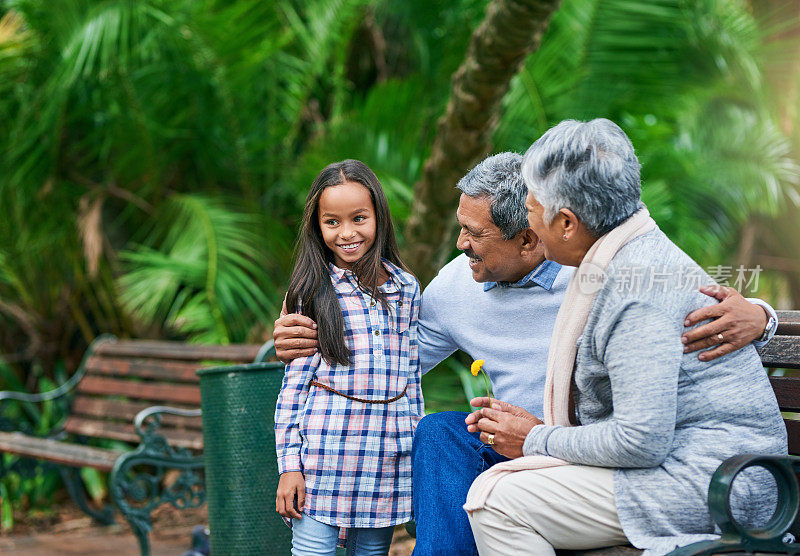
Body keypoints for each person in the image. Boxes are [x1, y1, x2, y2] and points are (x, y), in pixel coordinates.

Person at [273, 154, 779, 556]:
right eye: (461, 227)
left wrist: (762, 316)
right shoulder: (457, 284)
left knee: (498, 496)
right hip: (515, 441)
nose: (459, 244)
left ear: (531, 238)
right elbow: (387, 355)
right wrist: (304, 338)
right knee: (439, 434)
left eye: (475, 235)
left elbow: (677, 291)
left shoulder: (593, 271)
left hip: (592, 446)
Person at [465, 119, 786, 555]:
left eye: (531, 206)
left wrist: (535, 438)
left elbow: (639, 441)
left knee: (497, 502)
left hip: (715, 485)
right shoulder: (629, 255)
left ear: (566, 223)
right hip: (696, 468)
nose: (527, 217)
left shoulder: (636, 293)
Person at [274, 159, 423, 556]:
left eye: (359, 218)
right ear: (317, 228)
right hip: (323, 457)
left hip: (385, 459)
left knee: (372, 553)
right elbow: (293, 390)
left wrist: (414, 454)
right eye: (332, 222)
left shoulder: (405, 289)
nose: (347, 233)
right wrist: (290, 466)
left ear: (378, 216)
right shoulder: (312, 292)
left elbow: (413, 377)